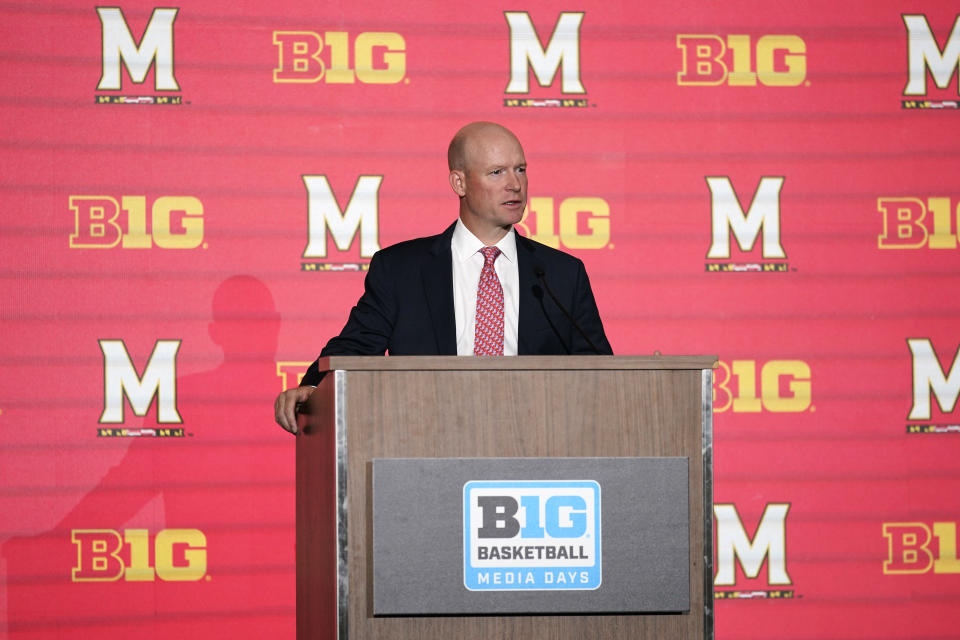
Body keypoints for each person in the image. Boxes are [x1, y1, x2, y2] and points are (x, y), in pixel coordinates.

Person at [274, 121, 612, 433]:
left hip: (538, 441)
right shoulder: (401, 269)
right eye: (496, 172)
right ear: (459, 182)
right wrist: (315, 388)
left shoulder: (561, 274)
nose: (515, 184)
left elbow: (602, 374)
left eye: (520, 169)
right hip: (430, 438)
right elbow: (357, 347)